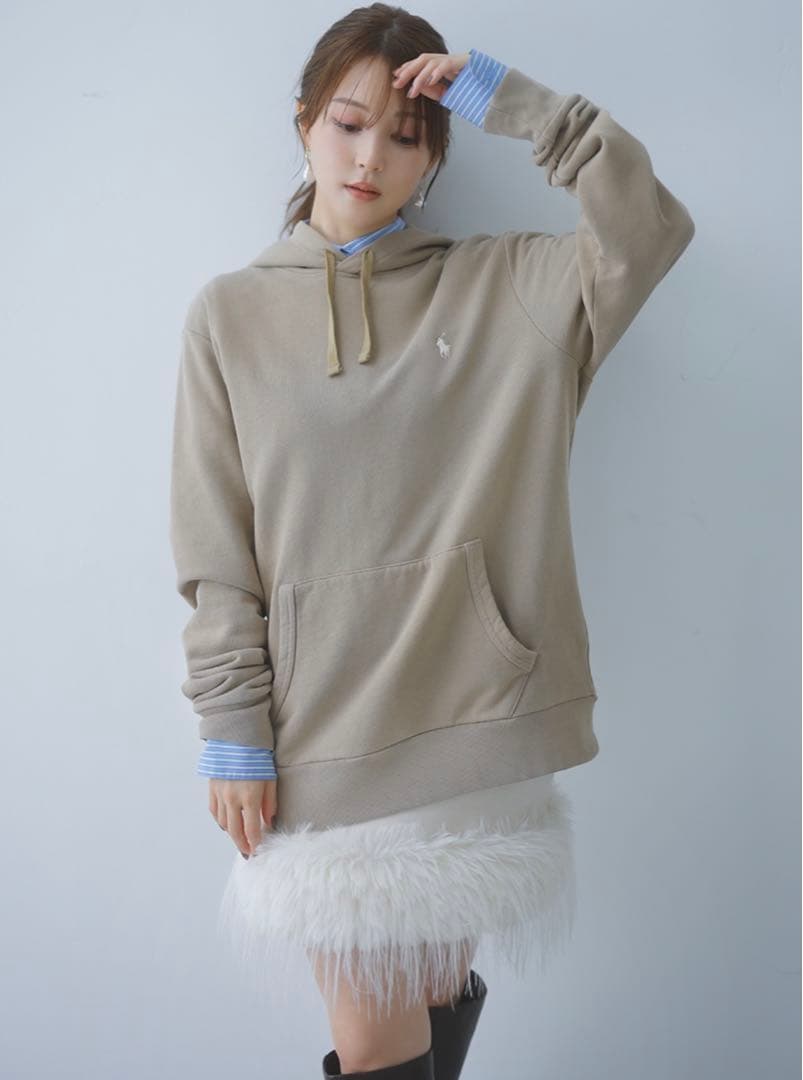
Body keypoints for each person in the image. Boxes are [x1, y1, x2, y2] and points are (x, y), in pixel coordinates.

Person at [169, 4, 695, 1077]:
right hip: (321, 740)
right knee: (384, 1039)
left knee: (414, 1019)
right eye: (347, 123)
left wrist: (519, 104)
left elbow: (648, 230)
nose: (370, 157)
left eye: (404, 136)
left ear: (434, 157)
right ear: (305, 121)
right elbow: (214, 547)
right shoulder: (227, 317)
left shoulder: (507, 287)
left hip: (469, 723)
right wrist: (230, 725)